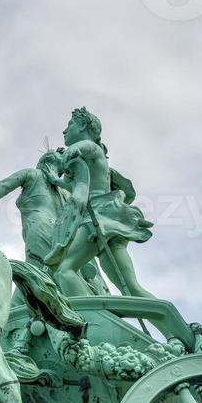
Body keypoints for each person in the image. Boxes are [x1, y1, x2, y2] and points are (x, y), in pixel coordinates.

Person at [0, 149, 107, 298]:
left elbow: (3, 186)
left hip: (41, 228)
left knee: (37, 277)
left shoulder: (35, 175)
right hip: (64, 234)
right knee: (57, 276)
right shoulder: (64, 190)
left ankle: (23, 313)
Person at [46, 107, 156, 299]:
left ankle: (87, 320)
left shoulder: (92, 148)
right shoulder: (94, 161)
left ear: (82, 126)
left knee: (64, 270)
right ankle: (181, 329)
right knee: (130, 287)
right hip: (108, 220)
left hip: (96, 219)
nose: (65, 130)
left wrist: (67, 154)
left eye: (70, 124)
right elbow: (81, 187)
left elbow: (83, 148)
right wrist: (57, 181)